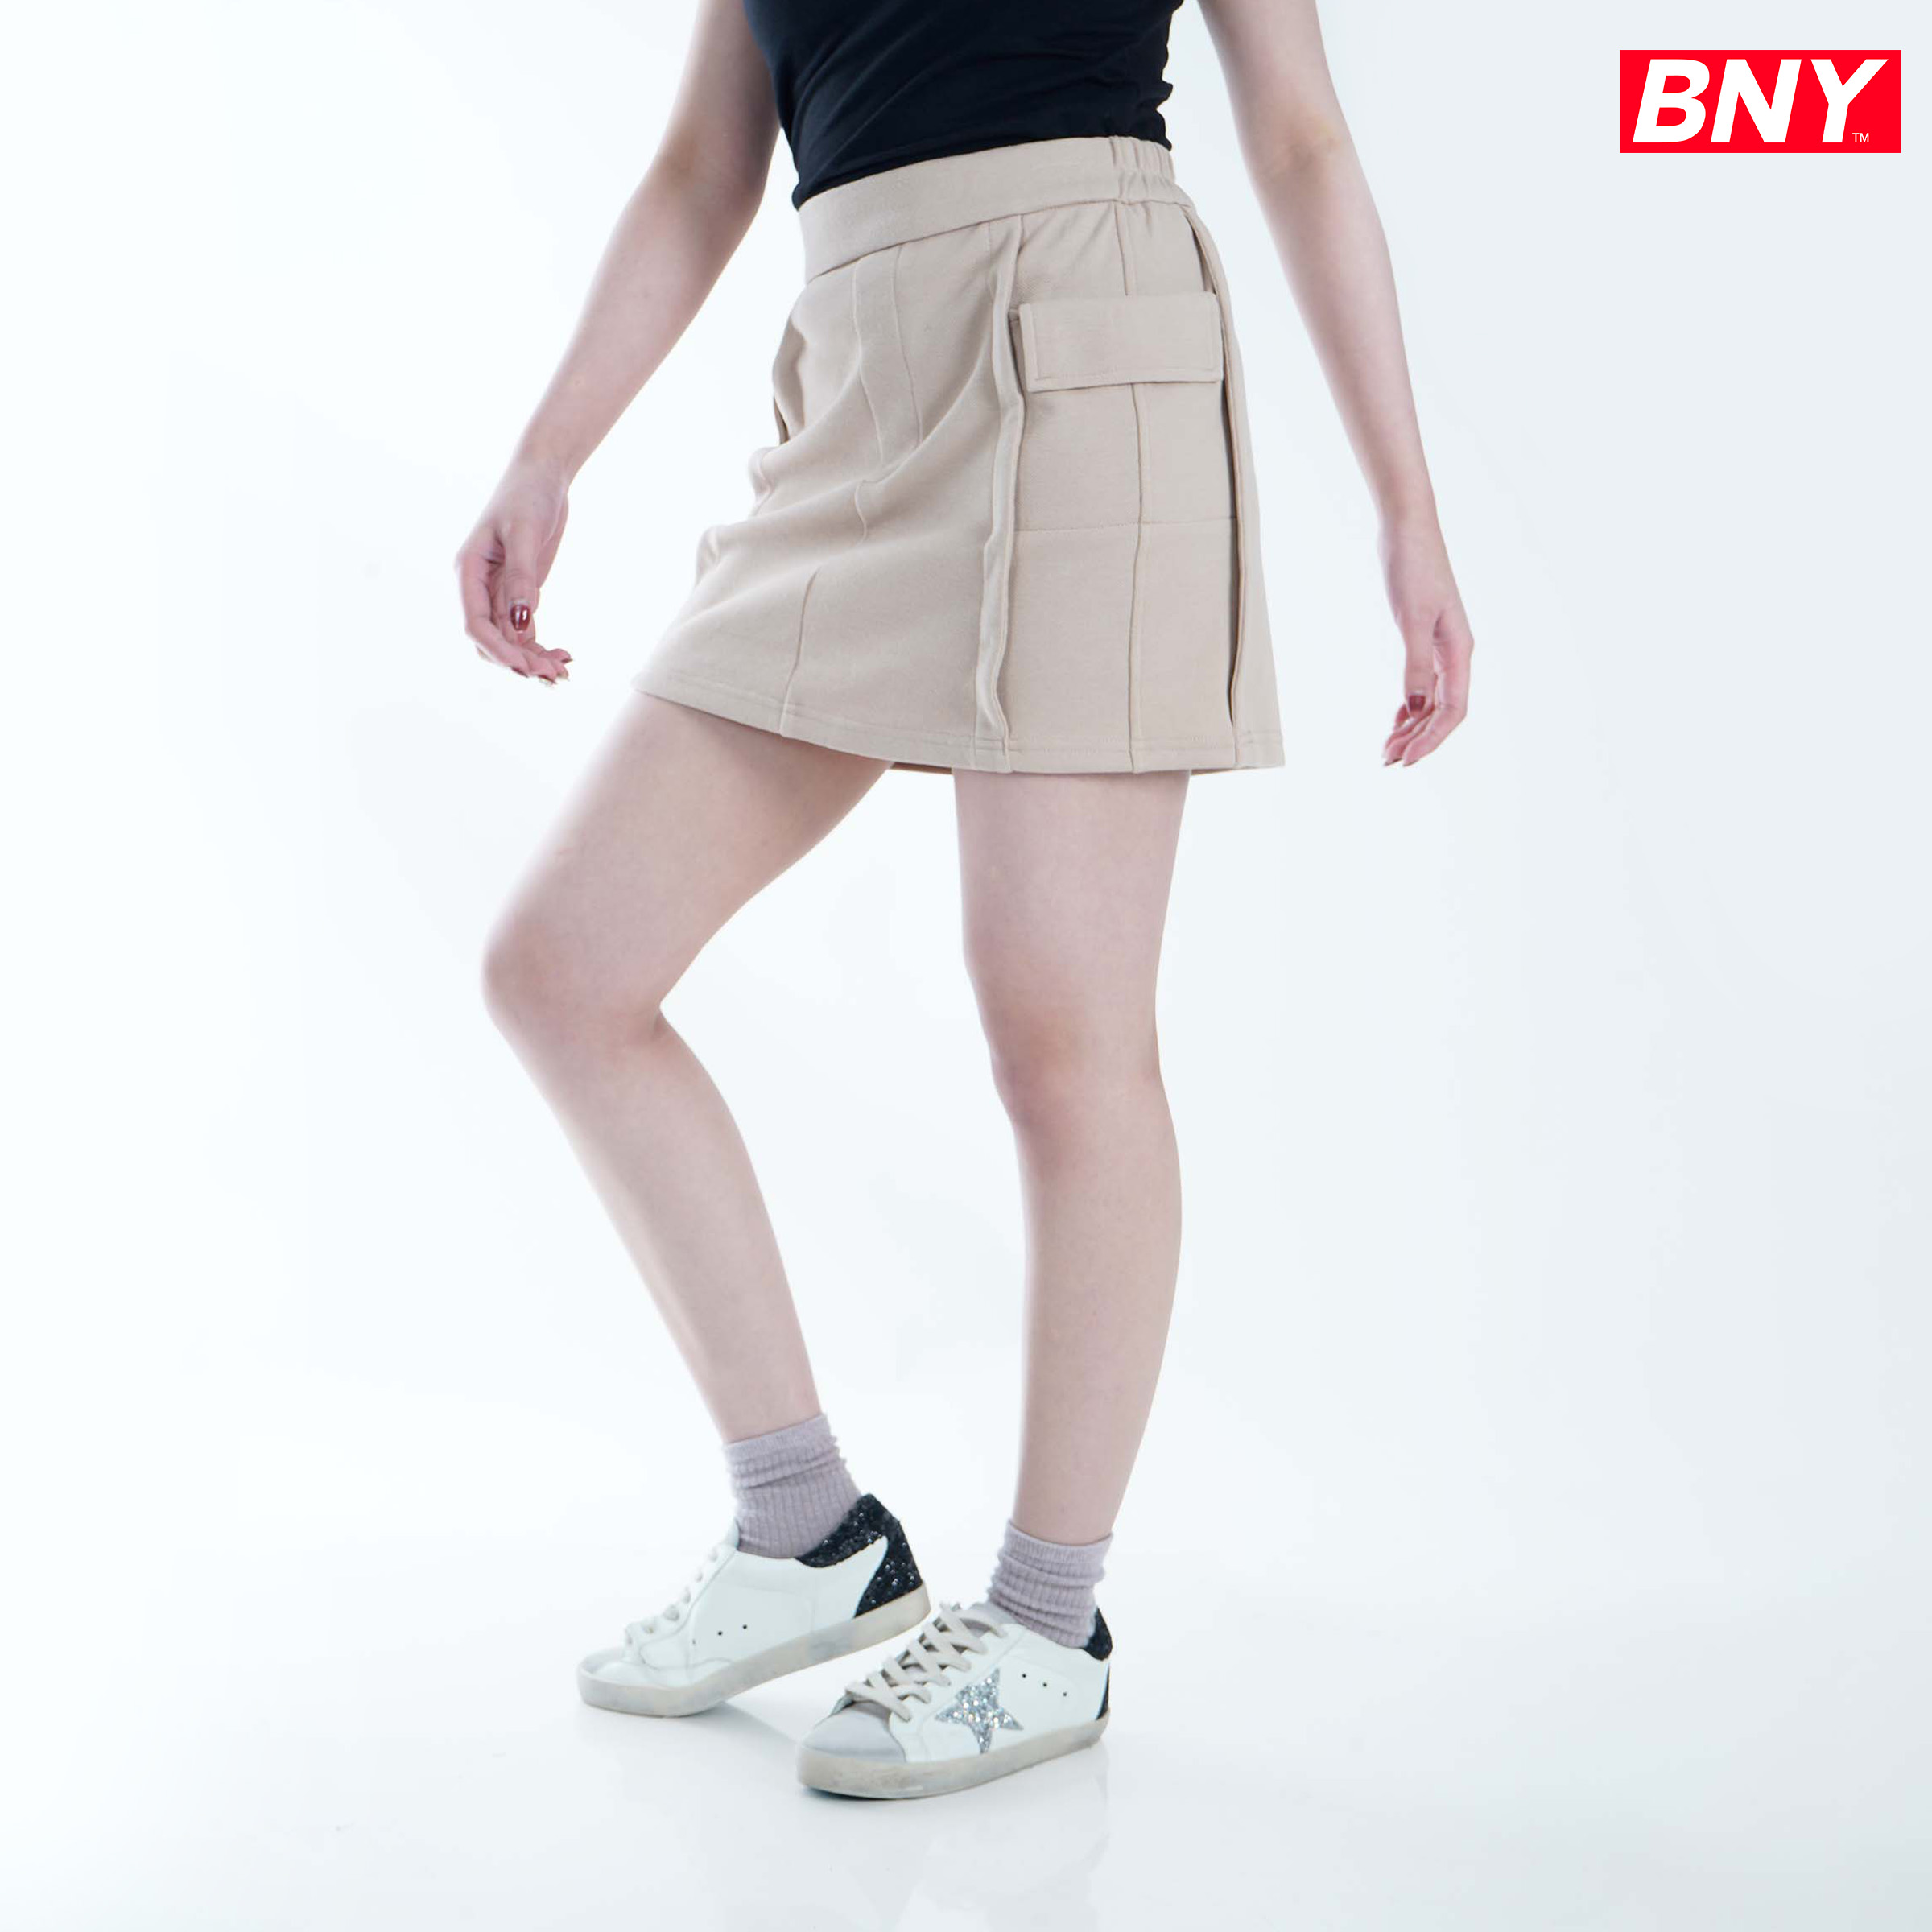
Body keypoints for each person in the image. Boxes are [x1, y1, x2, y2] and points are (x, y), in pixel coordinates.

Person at [457, 0, 1472, 1801]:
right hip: (855, 373)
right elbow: (702, 167)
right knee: (562, 969)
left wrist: (1408, 506)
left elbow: (1302, 131)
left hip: (1085, 338)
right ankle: (806, 1529)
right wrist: (548, 454)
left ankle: (1047, 1626)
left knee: (1061, 1034)